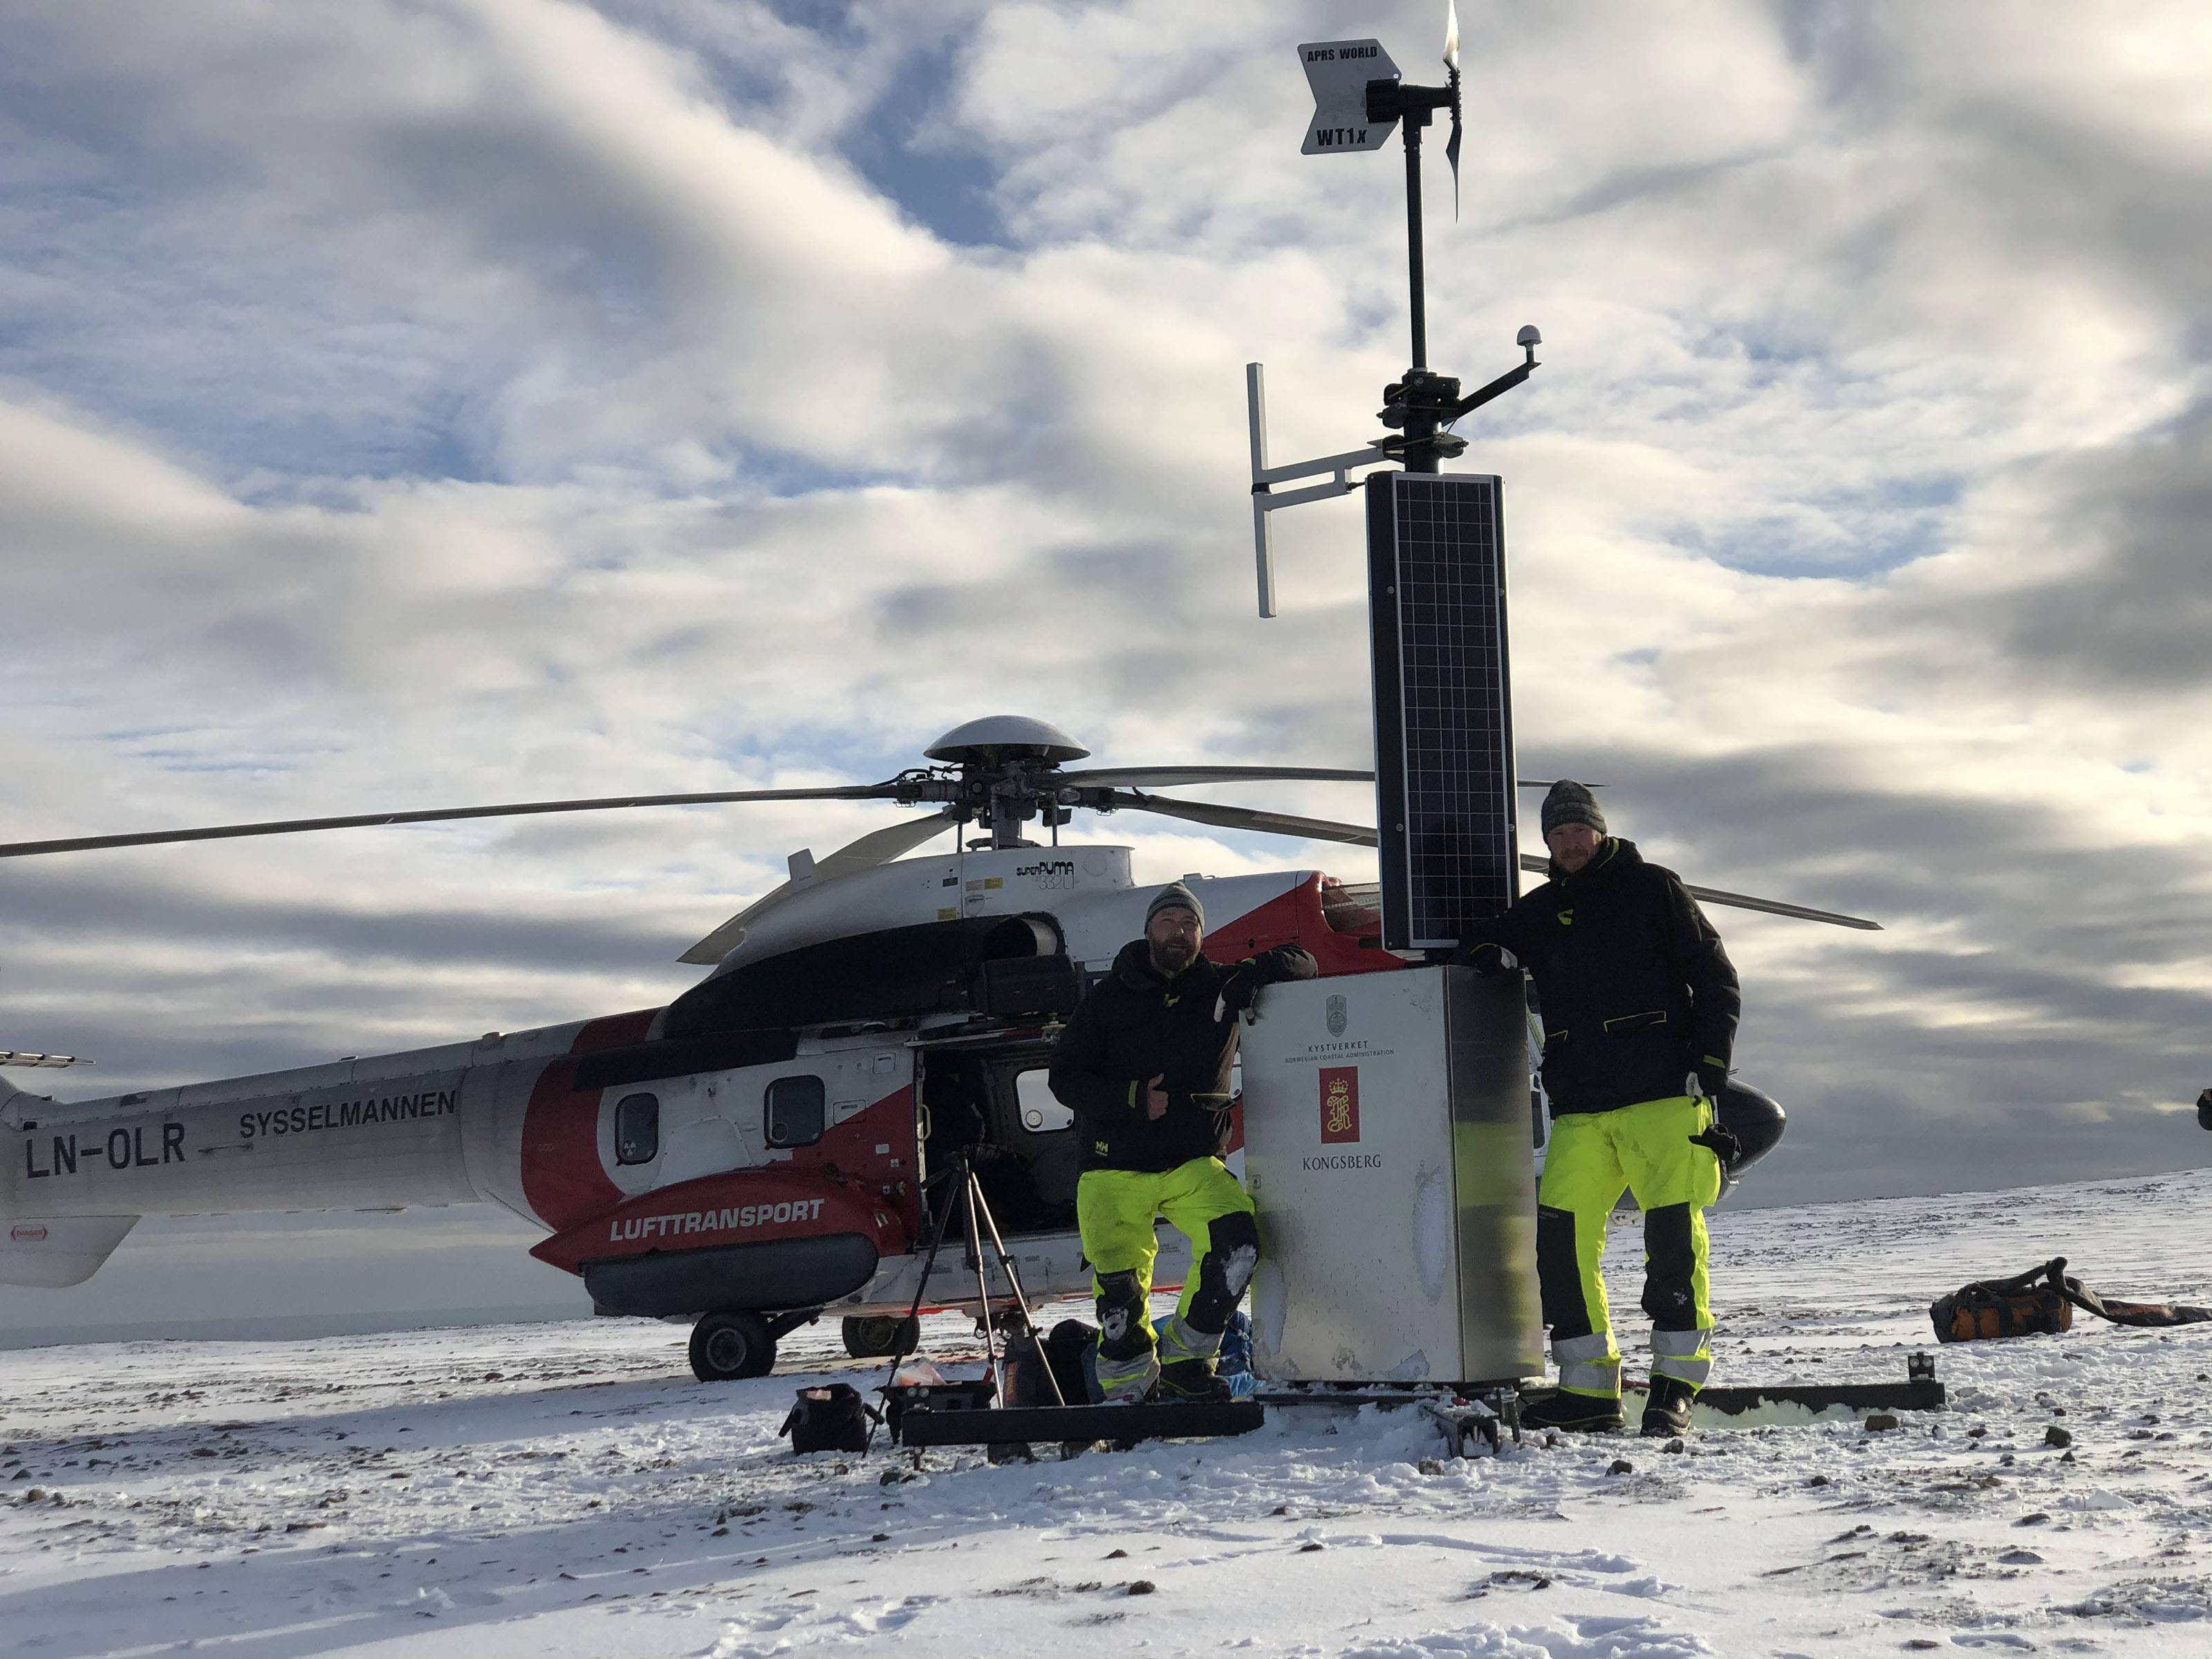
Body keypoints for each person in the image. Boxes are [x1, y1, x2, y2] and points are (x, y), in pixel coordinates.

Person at [1456, 781, 1741, 1438]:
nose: (1569, 843)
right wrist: (1490, 955)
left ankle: (1674, 1388)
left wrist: (1711, 1062)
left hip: (1663, 1097)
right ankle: (1588, 1390)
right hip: (1581, 1109)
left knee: (1672, 1245)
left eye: (1577, 831)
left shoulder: (1654, 888)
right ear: (1547, 845)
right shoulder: (1540, 909)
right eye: (1556, 836)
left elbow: (1717, 975)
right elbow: (1480, 942)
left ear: (1599, 831)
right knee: (1559, 1243)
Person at [1048, 883, 1317, 1402]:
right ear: (1148, 929)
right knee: (1120, 1296)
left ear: (1201, 933)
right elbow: (1064, 1078)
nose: (1179, 931)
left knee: (1236, 1245)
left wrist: (1252, 973)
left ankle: (1186, 1362)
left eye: (1189, 923)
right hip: (1112, 1166)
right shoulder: (1106, 999)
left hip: (1191, 1162)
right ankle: (1125, 1390)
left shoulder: (1218, 986)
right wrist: (1130, 1098)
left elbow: (1304, 962)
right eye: (1168, 921)